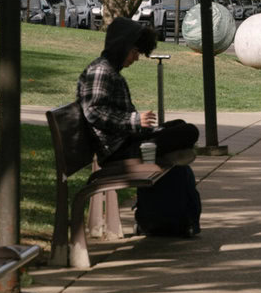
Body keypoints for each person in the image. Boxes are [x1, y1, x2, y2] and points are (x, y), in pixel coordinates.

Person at [78, 17, 201, 235]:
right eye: (135, 52)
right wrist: (135, 121)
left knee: (180, 126)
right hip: (119, 152)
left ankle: (175, 159)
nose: (136, 58)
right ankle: (176, 157)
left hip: (129, 142)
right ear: (121, 46)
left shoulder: (111, 72)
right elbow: (94, 112)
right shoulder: (101, 72)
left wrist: (148, 129)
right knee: (188, 132)